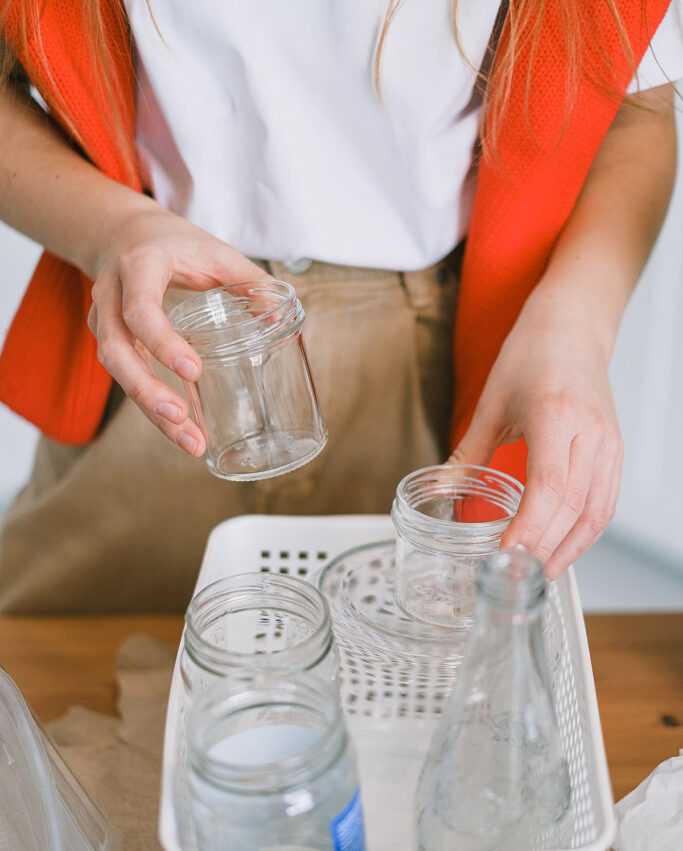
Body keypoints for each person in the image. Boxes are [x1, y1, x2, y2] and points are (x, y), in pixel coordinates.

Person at [0, 1, 680, 611]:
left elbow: (634, 107)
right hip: (160, 341)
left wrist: (574, 327)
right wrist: (109, 230)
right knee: (52, 684)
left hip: (433, 362)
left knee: (413, 688)